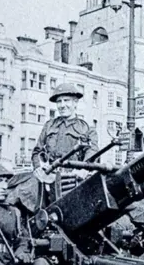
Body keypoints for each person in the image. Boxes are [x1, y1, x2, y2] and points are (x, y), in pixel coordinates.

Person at [8, 83, 99, 213]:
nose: (62, 105)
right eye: (59, 102)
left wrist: (84, 169)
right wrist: (38, 167)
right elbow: (37, 151)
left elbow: (92, 152)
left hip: (71, 179)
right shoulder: (49, 125)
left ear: (75, 102)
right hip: (47, 175)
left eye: (66, 100)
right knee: (19, 192)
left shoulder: (87, 129)